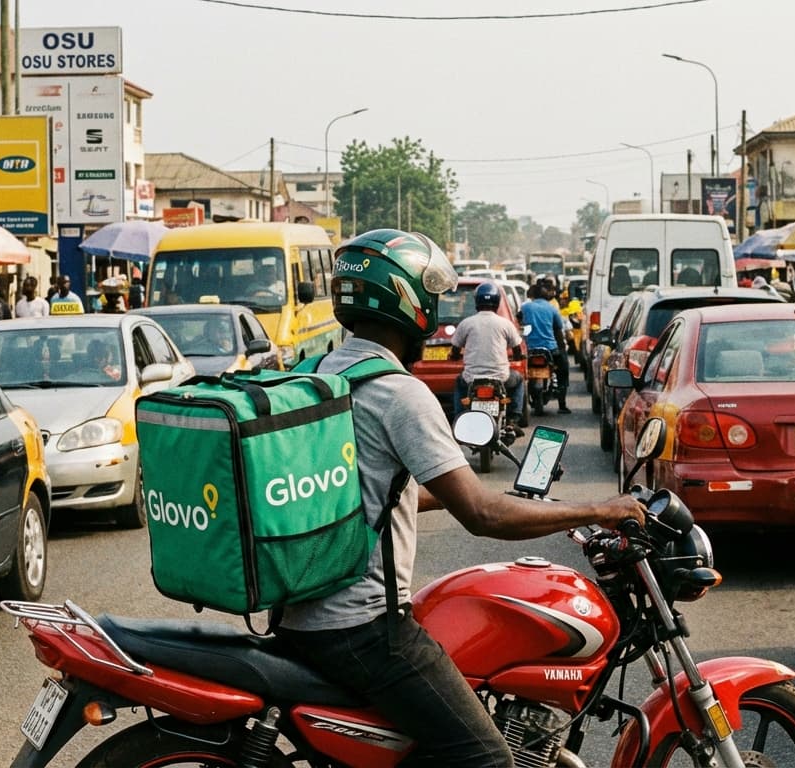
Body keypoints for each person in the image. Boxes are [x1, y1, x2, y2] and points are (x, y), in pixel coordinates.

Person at [275, 228, 644, 768]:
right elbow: (484, 516)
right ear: (407, 302)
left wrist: (452, 491)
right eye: (429, 296)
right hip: (364, 627)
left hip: (299, 614)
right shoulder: (398, 392)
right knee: (487, 758)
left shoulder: (318, 375)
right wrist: (599, 508)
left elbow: (356, 494)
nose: (434, 308)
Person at [451, 281, 525, 425]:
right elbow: (517, 349)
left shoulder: (466, 323)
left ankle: (459, 418)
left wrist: (454, 357)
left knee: (459, 382)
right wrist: (517, 357)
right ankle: (514, 419)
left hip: (471, 379)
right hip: (502, 379)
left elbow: (455, 349)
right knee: (519, 379)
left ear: (476, 301)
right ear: (497, 301)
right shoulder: (505, 324)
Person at [520, 282, 571, 414]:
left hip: (530, 349)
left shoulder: (525, 308)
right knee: (563, 371)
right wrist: (562, 350)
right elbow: (558, 331)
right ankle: (562, 404)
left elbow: (517, 322)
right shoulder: (552, 308)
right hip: (550, 349)